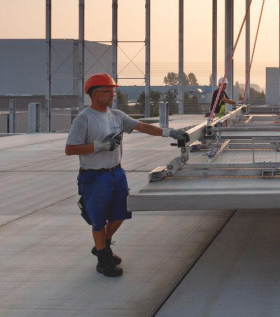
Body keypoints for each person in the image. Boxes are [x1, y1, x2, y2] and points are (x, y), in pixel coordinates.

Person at [65, 73, 190, 277]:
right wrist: (100, 146)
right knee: (98, 220)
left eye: (113, 91)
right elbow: (70, 149)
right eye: (108, 91)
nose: (113, 95)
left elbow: (141, 126)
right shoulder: (84, 119)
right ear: (95, 94)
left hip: (116, 172)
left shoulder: (117, 115)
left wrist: (169, 132)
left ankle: (102, 245)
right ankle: (103, 260)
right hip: (94, 177)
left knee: (121, 212)